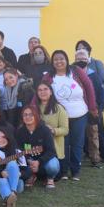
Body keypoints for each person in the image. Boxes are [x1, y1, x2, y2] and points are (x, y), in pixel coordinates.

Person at [41, 50, 97, 181]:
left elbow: (89, 87)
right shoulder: (49, 76)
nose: (59, 61)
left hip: (80, 114)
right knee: (62, 144)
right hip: (60, 116)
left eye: (61, 59)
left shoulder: (76, 71)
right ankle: (64, 171)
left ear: (66, 60)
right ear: (52, 62)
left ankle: (76, 171)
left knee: (77, 143)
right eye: (56, 59)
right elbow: (41, 91)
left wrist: (93, 107)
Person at [75, 40, 104, 164]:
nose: (81, 50)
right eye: (78, 48)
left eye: (83, 48)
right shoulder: (73, 67)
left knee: (98, 130)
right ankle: (90, 154)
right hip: (80, 106)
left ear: (89, 51)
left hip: (96, 104)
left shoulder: (96, 64)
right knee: (84, 131)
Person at [16, 106, 59, 189]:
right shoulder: (20, 131)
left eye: (31, 114)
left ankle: (50, 178)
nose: (28, 117)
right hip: (29, 161)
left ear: (36, 116)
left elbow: (51, 151)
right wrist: (28, 160)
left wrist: (39, 161)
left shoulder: (45, 130)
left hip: (44, 160)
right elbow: (19, 150)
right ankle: (31, 175)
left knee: (52, 166)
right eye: (25, 115)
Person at [34, 82, 69, 179]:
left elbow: (65, 130)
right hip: (37, 148)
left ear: (51, 92)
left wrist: (53, 130)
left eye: (45, 89)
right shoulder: (34, 108)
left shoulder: (59, 108)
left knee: (52, 169)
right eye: (40, 90)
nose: (42, 92)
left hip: (54, 147)